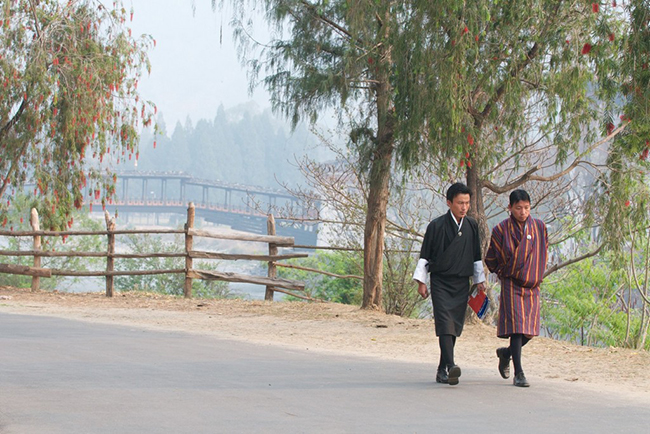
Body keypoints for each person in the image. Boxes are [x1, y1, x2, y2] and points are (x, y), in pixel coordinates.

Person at [412, 183, 486, 386]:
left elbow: (476, 256)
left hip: (462, 282)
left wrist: (479, 280)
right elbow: (425, 256)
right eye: (460, 203)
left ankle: (441, 368)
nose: (464, 207)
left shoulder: (471, 225)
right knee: (445, 323)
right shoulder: (436, 226)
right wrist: (421, 282)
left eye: (467, 203)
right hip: (441, 281)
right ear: (449, 202)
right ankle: (452, 365)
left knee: (454, 325)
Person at [485, 189, 548, 387]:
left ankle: (506, 353)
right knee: (517, 329)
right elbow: (491, 259)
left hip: (532, 284)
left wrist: (535, 273)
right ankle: (519, 373)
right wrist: (505, 272)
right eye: (518, 208)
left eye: (527, 208)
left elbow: (542, 251)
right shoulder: (501, 229)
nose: (523, 212)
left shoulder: (539, 227)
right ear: (510, 208)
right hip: (512, 282)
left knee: (529, 331)